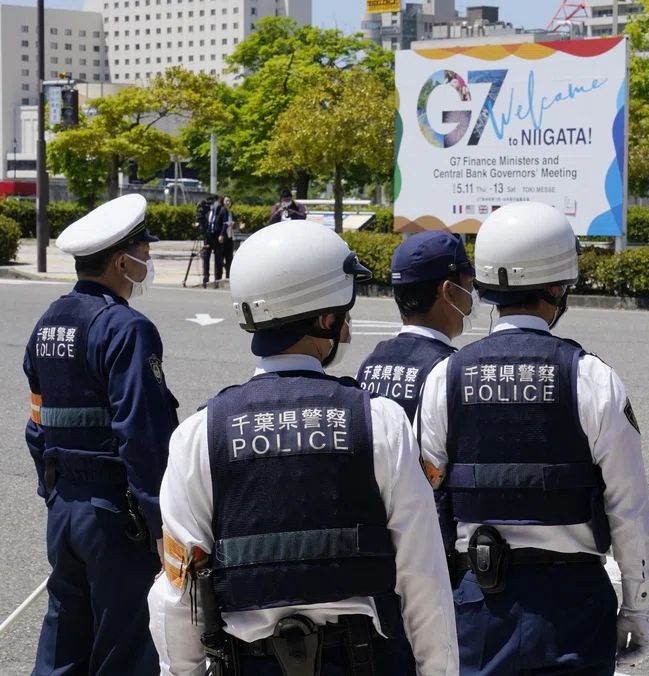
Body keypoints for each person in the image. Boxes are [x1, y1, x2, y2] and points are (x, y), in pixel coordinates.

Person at [148, 221, 459, 676]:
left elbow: (178, 595)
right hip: (364, 662)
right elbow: (423, 580)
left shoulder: (199, 433)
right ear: (326, 319)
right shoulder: (379, 422)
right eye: (345, 312)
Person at [416, 202, 649, 675]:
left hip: (476, 602)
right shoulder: (591, 377)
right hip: (572, 605)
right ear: (556, 285)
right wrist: (637, 605)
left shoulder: (444, 378)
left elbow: (424, 507)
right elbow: (630, 510)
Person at [24, 194, 180, 675]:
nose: (147, 263)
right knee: (125, 648)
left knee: (64, 639)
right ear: (121, 261)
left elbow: (37, 425)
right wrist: (162, 527)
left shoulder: (48, 321)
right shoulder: (125, 328)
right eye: (144, 255)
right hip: (116, 517)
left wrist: (54, 493)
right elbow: (143, 432)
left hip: (67, 508)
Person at [357, 230, 477, 422]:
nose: (473, 293)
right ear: (449, 292)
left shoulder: (368, 365)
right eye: (470, 283)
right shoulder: (450, 373)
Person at [193, 194, 224, 288]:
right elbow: (202, 220)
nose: (212, 203)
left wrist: (222, 234)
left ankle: (218, 279)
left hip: (216, 236)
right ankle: (205, 278)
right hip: (208, 235)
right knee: (206, 257)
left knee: (218, 258)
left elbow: (224, 224)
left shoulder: (221, 210)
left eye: (214, 201)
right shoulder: (207, 210)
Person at [214, 195, 245, 280]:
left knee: (229, 258)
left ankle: (228, 277)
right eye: (226, 201)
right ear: (223, 202)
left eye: (229, 201)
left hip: (229, 237)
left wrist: (238, 227)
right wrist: (221, 235)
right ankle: (219, 278)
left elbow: (233, 226)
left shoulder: (230, 212)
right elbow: (223, 224)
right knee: (221, 258)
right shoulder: (223, 211)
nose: (228, 202)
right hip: (223, 237)